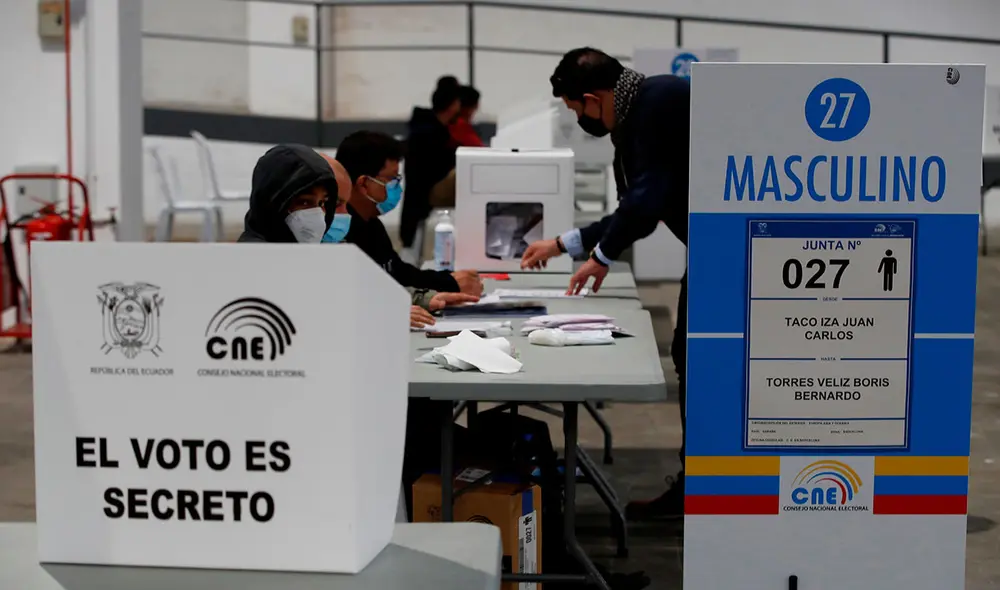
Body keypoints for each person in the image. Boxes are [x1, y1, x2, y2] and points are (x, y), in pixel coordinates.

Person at [520, 47, 691, 519]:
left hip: (739, 251)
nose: (579, 120)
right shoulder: (642, 109)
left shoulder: (658, 103)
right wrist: (562, 244)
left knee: (697, 357)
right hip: (719, 251)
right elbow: (635, 207)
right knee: (689, 353)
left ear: (594, 98)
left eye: (577, 109)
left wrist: (600, 256)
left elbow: (648, 200)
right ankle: (698, 482)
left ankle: (705, 487)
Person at [333, 130, 482, 296]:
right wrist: (449, 284)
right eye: (391, 180)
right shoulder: (340, 233)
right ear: (364, 184)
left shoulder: (372, 224)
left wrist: (449, 279)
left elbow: (399, 273)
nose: (397, 188)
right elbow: (372, 289)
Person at [238, 144, 348, 244]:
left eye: (322, 203)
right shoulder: (254, 258)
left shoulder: (300, 254)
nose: (318, 215)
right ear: (273, 203)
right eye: (305, 202)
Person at [400, 78, 462, 249]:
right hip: (425, 195)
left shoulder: (428, 129)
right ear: (452, 105)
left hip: (419, 199)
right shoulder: (431, 134)